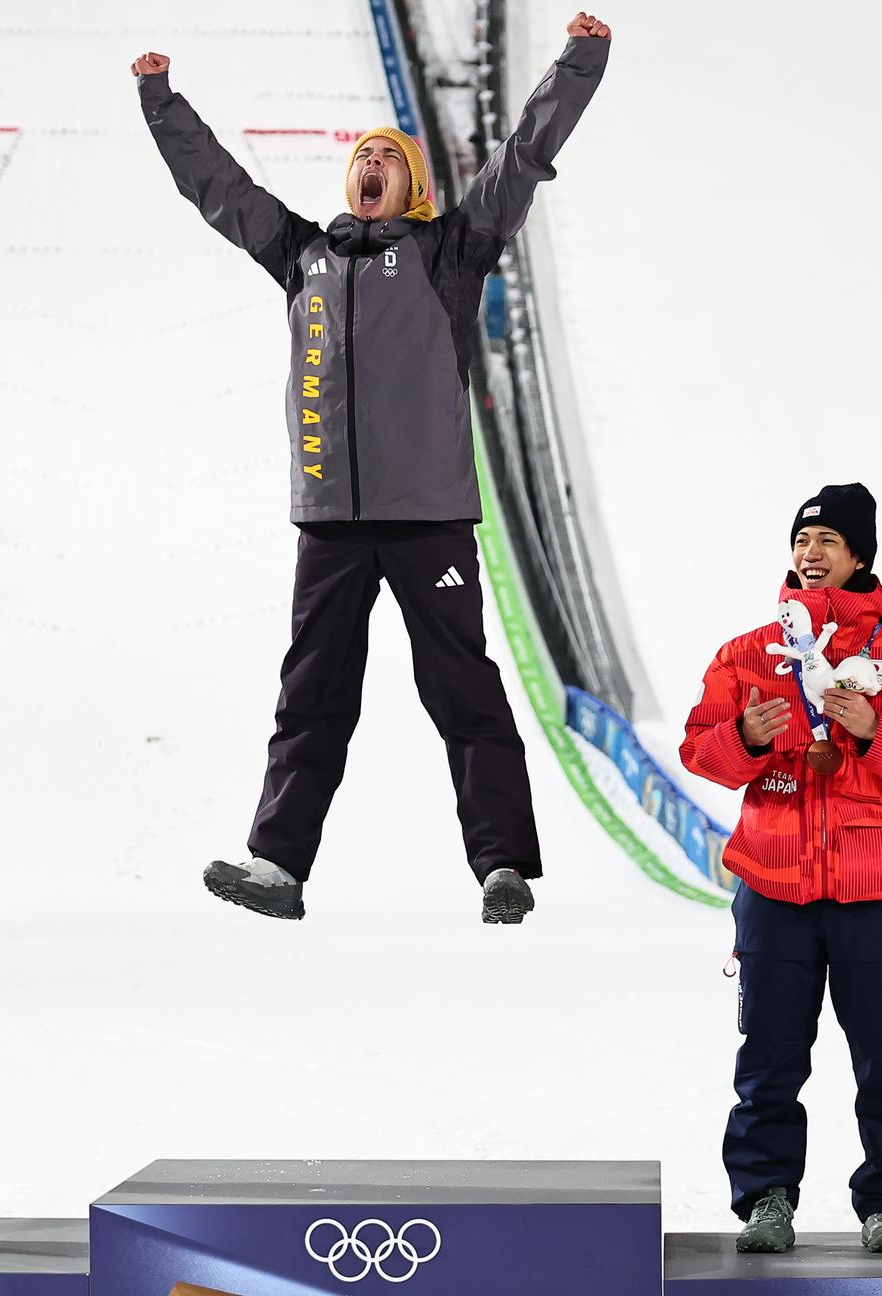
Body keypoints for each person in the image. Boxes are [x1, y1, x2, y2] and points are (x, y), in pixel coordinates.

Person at [131, 12, 612, 923]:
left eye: (388, 158)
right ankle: (277, 867)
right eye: (362, 157)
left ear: (413, 185)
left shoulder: (449, 254)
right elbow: (218, 188)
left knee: (462, 689)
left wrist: (577, 63)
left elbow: (521, 159)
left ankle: (501, 865)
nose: (371, 167)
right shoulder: (300, 254)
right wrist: (161, 102)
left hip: (427, 515)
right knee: (309, 694)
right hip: (329, 523)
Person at [681, 483, 882, 1255]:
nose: (811, 552)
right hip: (774, 886)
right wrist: (746, 741)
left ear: (860, 554)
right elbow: (700, 749)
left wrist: (875, 728)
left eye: (828, 539)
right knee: (768, 1057)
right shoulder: (748, 653)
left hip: (879, 893)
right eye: (803, 540)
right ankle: (766, 1199)